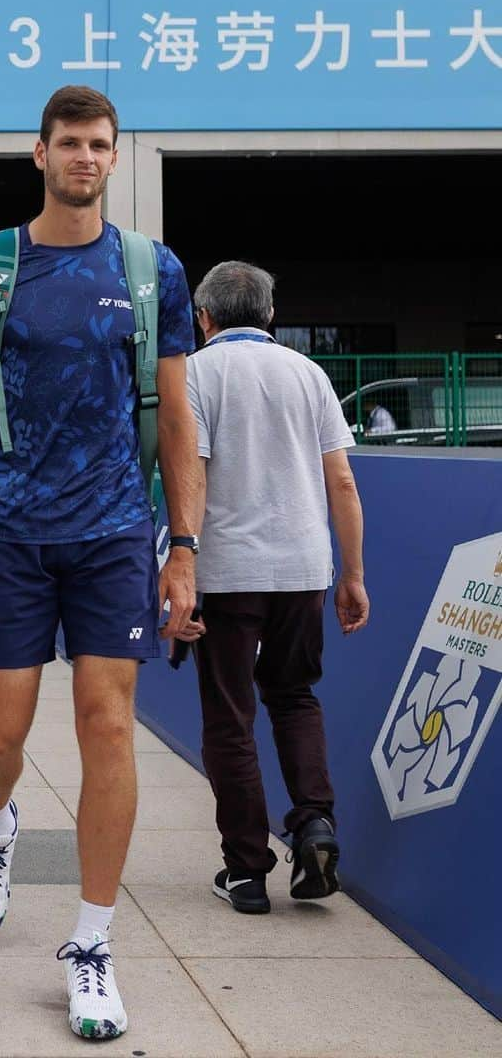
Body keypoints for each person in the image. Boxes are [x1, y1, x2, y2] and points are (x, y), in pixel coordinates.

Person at [0, 87, 199, 1041]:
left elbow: (178, 418)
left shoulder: (150, 269)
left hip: (116, 532)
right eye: (70, 143)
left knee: (106, 724)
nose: (86, 158)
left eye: (100, 145)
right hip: (8, 533)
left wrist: (184, 548)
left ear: (116, 158)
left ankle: (91, 942)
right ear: (38, 154)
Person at [179, 260, 370, 916]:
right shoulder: (308, 373)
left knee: (230, 717)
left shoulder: (195, 374)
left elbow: (193, 475)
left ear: (203, 317)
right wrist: (353, 574)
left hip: (228, 572)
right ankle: (314, 824)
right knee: (294, 697)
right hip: (302, 570)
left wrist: (179, 562)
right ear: (269, 315)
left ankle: (248, 868)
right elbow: (341, 481)